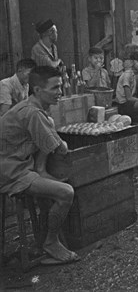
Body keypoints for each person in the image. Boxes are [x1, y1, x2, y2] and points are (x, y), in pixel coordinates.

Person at [0, 66, 79, 263]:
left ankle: (42, 239)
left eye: (60, 87)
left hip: (21, 165)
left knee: (50, 124)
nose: (60, 92)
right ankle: (50, 242)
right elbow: (60, 148)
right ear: (37, 90)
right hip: (11, 171)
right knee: (66, 192)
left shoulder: (34, 109)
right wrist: (64, 143)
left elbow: (46, 140)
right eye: (55, 88)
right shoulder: (32, 112)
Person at [116, 51, 138, 128]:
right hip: (124, 104)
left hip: (135, 102)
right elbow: (128, 98)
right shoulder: (127, 75)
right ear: (132, 62)